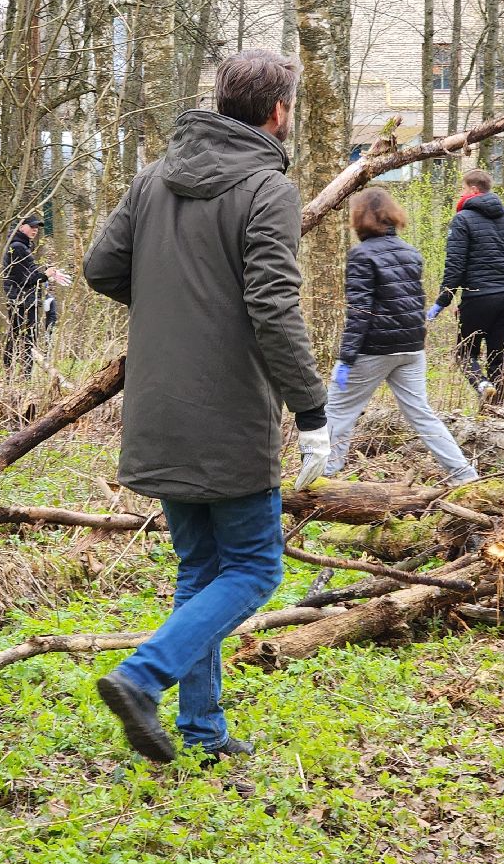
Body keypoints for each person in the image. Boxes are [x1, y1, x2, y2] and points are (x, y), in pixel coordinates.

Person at [83, 48, 329, 763]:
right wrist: (311, 410)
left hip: (158, 408)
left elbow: (102, 268)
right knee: (255, 569)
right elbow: (274, 310)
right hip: (226, 416)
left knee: (200, 572)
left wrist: (171, 308)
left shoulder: (155, 177)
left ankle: (203, 731)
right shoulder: (266, 188)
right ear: (278, 112)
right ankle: (142, 674)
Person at [324, 187, 477, 485]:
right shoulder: (411, 252)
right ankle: (464, 475)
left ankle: (324, 476)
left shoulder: (360, 255)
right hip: (411, 348)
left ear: (359, 220)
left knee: (338, 411)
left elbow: (360, 311)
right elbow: (415, 301)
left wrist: (346, 358)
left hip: (374, 348)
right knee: (422, 414)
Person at [428, 168, 504, 406]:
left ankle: (483, 385)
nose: (461, 194)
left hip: (478, 297)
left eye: (463, 189)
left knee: (464, 354)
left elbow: (455, 265)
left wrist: (441, 302)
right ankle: (496, 413)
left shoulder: (462, 219)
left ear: (473, 190)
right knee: (498, 358)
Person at [2, 214, 68, 376]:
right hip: (22, 300)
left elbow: (29, 272)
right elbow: (27, 278)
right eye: (32, 227)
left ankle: (14, 375)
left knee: (19, 336)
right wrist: (45, 275)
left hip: (24, 299)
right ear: (21, 227)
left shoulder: (21, 246)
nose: (35, 230)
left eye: (37, 228)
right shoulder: (17, 247)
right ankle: (21, 377)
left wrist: (48, 274)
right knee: (25, 338)